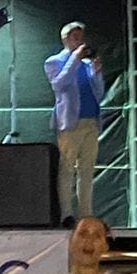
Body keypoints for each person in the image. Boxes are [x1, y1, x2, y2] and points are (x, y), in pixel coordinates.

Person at [44, 22, 105, 221]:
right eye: (75, 37)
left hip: (91, 122)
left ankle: (86, 215)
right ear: (66, 39)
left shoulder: (86, 65)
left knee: (87, 171)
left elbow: (99, 92)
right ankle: (66, 215)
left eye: (81, 37)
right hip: (70, 123)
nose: (80, 41)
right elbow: (59, 84)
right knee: (67, 168)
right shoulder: (54, 62)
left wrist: (96, 73)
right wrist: (75, 58)